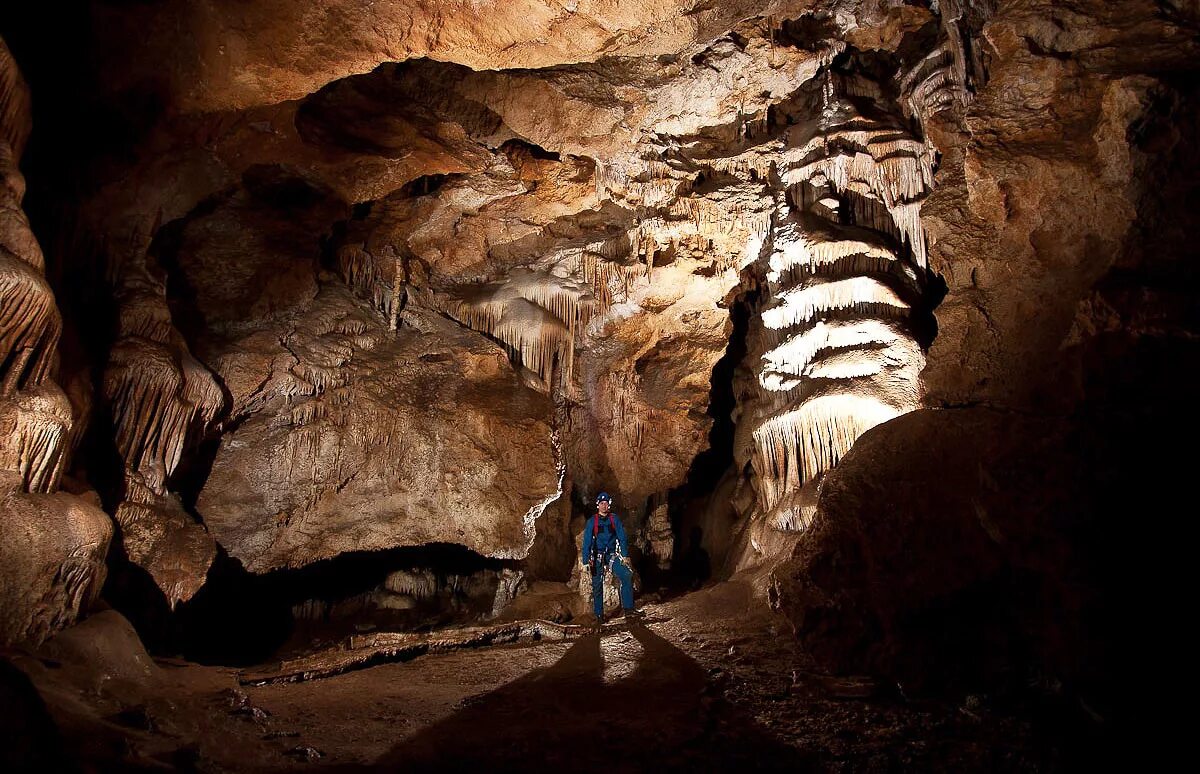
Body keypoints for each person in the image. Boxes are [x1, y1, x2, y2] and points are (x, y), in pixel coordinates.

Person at [580, 491, 638, 627]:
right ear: (598, 505)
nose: (604, 506)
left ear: (609, 505)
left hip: (611, 555)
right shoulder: (592, 521)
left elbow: (622, 537)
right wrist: (585, 561)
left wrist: (624, 555)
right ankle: (599, 615)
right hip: (597, 556)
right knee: (597, 585)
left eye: (606, 503)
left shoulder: (614, 519)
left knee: (626, 574)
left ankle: (628, 609)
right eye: (601, 503)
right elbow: (587, 542)